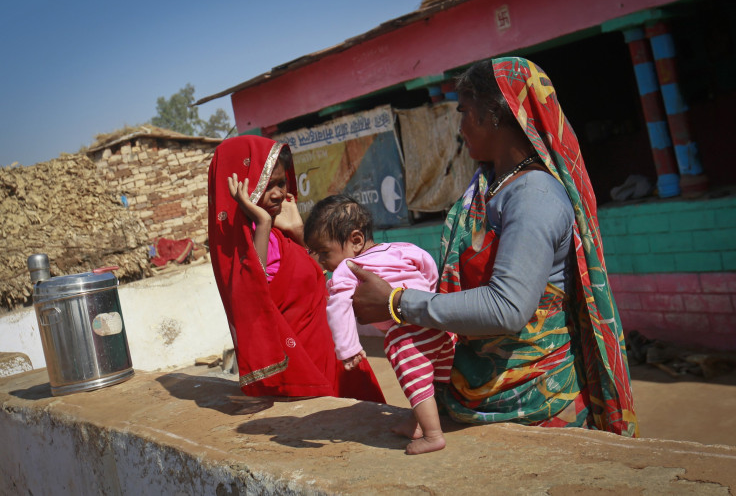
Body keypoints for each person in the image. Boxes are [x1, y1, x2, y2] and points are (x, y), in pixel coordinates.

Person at [349, 57, 639, 437]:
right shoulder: (492, 188)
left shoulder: (533, 196)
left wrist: (396, 302)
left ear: (497, 113)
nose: (460, 126)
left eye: (465, 111)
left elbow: (507, 308)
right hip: (478, 395)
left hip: (534, 402)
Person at [207, 135, 385, 403]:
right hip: (304, 367)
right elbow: (253, 296)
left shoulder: (281, 233)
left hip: (332, 352)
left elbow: (318, 271)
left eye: (281, 183)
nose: (278, 193)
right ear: (243, 187)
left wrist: (298, 230)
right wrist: (264, 223)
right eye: (267, 185)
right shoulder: (245, 251)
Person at [304, 195, 456, 454]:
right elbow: (429, 268)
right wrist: (430, 304)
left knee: (416, 381)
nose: (321, 261)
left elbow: (338, 307)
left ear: (355, 241)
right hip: (437, 327)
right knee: (430, 382)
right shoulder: (403, 248)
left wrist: (348, 348)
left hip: (406, 334)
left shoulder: (347, 267)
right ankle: (416, 422)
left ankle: (433, 435)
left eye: (324, 252)